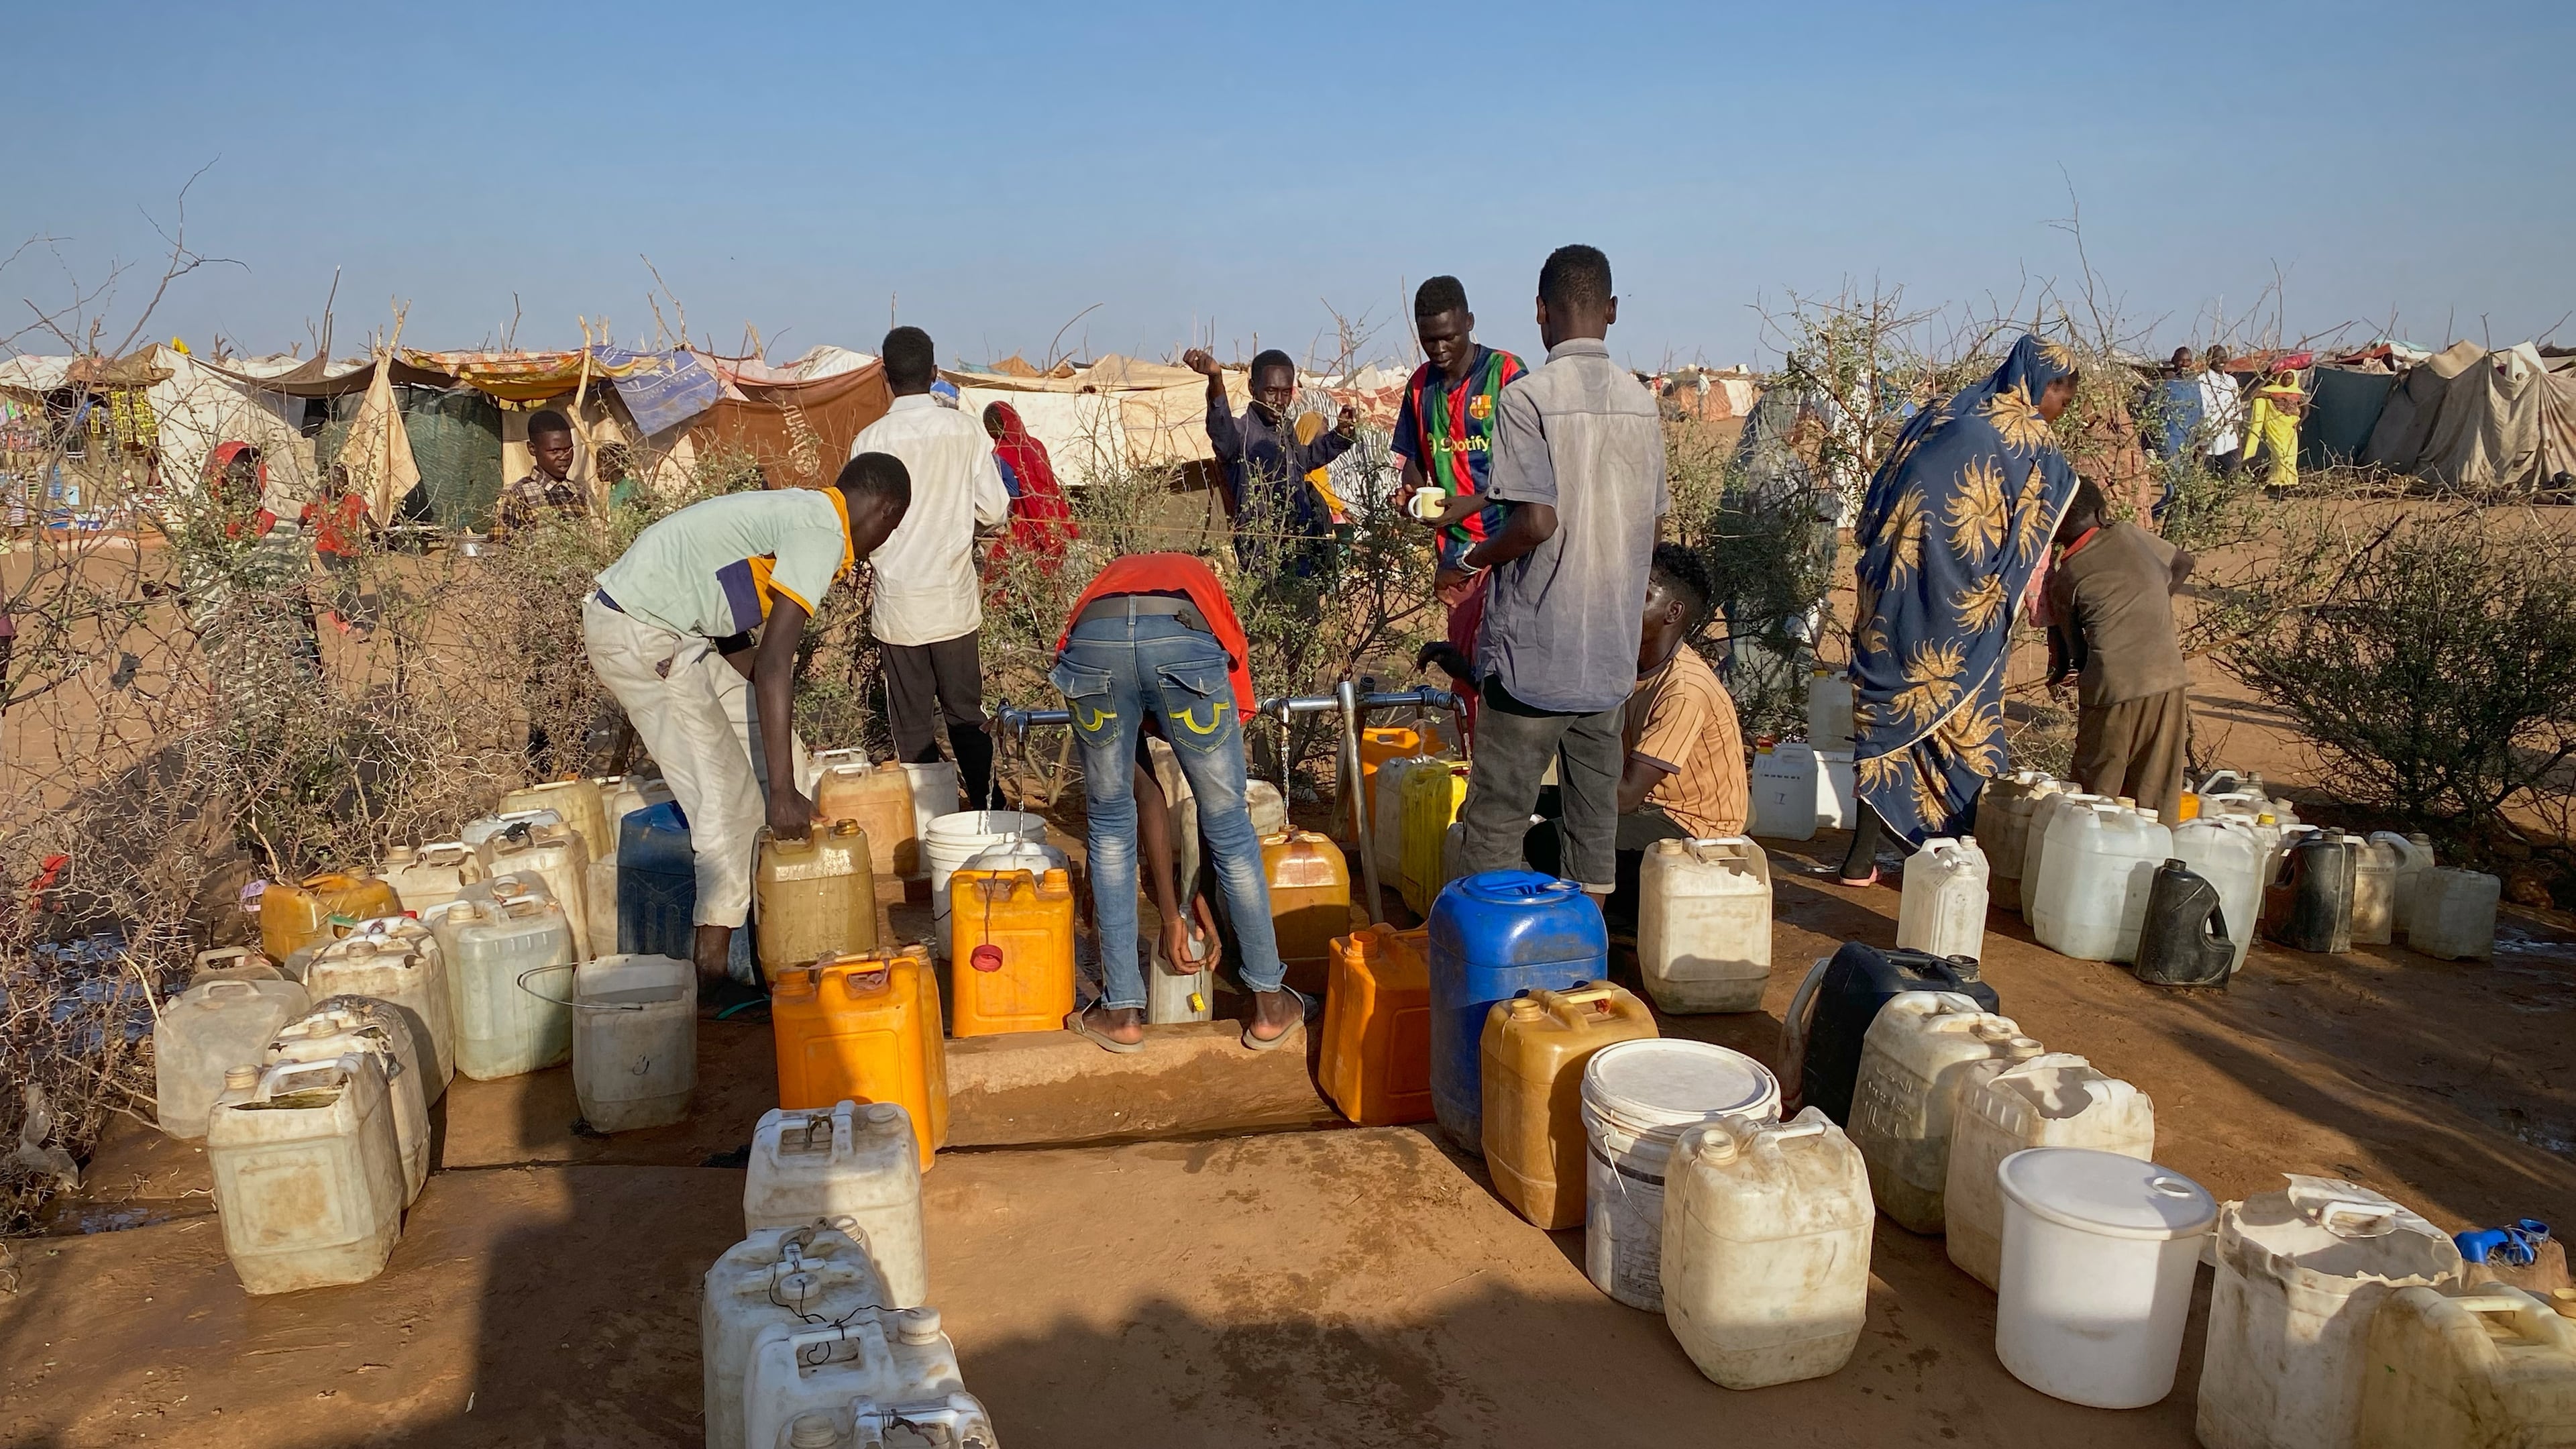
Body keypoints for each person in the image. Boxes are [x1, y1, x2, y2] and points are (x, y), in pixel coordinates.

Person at [584, 453, 912, 991]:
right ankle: (713, 973)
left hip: (676, 632)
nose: (882, 542)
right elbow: (778, 660)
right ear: (886, 511)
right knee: (728, 803)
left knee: (785, 755)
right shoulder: (821, 530)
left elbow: (732, 618)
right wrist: (780, 792)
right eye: (890, 530)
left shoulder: (798, 514)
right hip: (642, 633)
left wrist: (782, 766)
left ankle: (774, 924)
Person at [1453, 244, 1667, 905]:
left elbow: (1537, 523)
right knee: (1591, 832)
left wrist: (1473, 557)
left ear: (1541, 313)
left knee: (1496, 823)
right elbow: (1650, 531)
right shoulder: (1643, 404)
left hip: (1533, 663)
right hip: (1606, 662)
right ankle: (1584, 980)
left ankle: (1498, 983)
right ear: (1611, 311)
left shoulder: (1527, 400)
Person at [1838, 334, 2083, 886]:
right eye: (2062, 399)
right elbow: (2035, 530)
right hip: (1963, 609)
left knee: (1884, 718)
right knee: (1967, 726)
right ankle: (1955, 857)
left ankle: (1860, 860)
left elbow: (1877, 501)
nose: (2059, 413)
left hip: (1889, 594)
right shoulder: (2030, 442)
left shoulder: (1939, 411)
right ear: (2043, 384)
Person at [1048, 551, 1302, 1054]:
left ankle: (1120, 1013)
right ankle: (1271, 1008)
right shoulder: (1202, 594)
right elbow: (1212, 804)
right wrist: (1174, 911)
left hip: (1093, 648)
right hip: (1180, 641)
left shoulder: (1108, 587)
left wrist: (1188, 901)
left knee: (1109, 827)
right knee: (1230, 824)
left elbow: (1145, 797)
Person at [1525, 543, 1746, 929]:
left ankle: (1626, 924)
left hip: (1690, 830)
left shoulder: (1684, 688)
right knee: (1530, 804)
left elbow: (1625, 797)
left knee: (1550, 838)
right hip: (1649, 807)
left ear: (1672, 612)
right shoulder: (1631, 666)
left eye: (1640, 594)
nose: (1622, 602)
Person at [849, 326, 1013, 810]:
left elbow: (855, 527)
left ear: (884, 376)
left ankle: (931, 824)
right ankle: (991, 812)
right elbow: (994, 510)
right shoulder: (964, 431)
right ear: (935, 373)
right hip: (953, 603)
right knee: (966, 714)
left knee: (913, 726)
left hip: (899, 606)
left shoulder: (869, 440)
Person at [2044, 478, 2196, 820]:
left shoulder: (2067, 575)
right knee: (2156, 791)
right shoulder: (2129, 534)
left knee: (2095, 790)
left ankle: (2087, 855)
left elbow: (2077, 655)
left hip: (2113, 687)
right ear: (2101, 514)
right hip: (2168, 678)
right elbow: (2183, 562)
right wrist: (2154, 599)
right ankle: (2155, 863)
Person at [1389, 276, 1527, 582]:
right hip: (1455, 554)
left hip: (1510, 546)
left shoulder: (1506, 374)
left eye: (1449, 337)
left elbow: (1531, 470)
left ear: (1469, 322)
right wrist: (1414, 498)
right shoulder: (1419, 386)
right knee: (1466, 632)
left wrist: (1475, 503)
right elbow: (1413, 460)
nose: (1439, 349)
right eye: (1429, 340)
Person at [1185, 345, 1357, 575]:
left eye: (1286, 392)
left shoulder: (1284, 431)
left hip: (1300, 556)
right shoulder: (1241, 436)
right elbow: (1220, 426)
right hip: (1261, 564)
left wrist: (1340, 437)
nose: (1279, 400)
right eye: (1271, 391)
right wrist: (1216, 380)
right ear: (1252, 388)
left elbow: (1304, 460)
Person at [981, 400, 1076, 568]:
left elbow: (1008, 497)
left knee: (1017, 573)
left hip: (1021, 527)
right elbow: (1049, 484)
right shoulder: (1036, 446)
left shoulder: (997, 457)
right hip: (1052, 519)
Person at [1412, 564, 1489, 741]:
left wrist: (1467, 673)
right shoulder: (1461, 580)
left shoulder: (1497, 576)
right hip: (1468, 701)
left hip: (1498, 713)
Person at [300, 464, 376, 634]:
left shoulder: (354, 499)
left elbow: (369, 522)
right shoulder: (318, 500)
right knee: (346, 579)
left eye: (344, 479)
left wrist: (384, 534)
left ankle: (339, 614)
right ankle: (359, 625)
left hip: (351, 550)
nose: (342, 484)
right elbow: (301, 522)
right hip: (327, 550)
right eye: (337, 480)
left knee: (353, 586)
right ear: (327, 481)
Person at [496, 409, 587, 537]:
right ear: (532, 449)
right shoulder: (517, 496)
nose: (564, 456)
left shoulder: (578, 493)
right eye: (555, 451)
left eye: (568, 449)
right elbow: (498, 547)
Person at [2243, 365, 2306, 491]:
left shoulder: (2298, 393)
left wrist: (2299, 423)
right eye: (2284, 378)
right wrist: (2268, 379)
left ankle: (2289, 483)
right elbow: (2254, 395)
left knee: (2291, 456)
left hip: (2290, 430)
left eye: (2290, 378)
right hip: (2275, 428)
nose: (2287, 381)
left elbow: (2306, 409)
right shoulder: (2271, 391)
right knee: (2279, 455)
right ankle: (2277, 482)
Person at [2199, 346, 2245, 474]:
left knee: (2230, 481)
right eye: (2217, 357)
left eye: (2224, 356)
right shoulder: (2200, 382)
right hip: (2206, 442)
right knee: (2204, 483)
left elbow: (2236, 413)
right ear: (2209, 359)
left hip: (2229, 442)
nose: (2222, 360)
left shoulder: (2231, 382)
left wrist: (2238, 442)